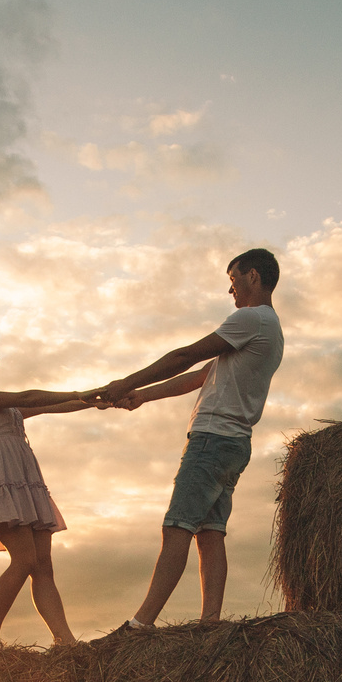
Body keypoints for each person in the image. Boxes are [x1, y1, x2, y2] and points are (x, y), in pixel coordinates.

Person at [95, 247, 284, 630]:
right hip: (235, 442)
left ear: (252, 277)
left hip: (212, 439)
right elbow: (201, 375)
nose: (230, 292)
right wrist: (144, 395)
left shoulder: (252, 318)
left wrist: (125, 381)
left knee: (176, 526)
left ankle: (141, 624)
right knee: (209, 533)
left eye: (233, 281)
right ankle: (210, 623)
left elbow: (186, 356)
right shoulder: (268, 328)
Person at [0, 329, 97, 650]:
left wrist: (93, 400)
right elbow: (26, 398)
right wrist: (84, 390)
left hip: (23, 475)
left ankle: (64, 640)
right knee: (24, 560)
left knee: (43, 566)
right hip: (0, 475)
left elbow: (49, 406)